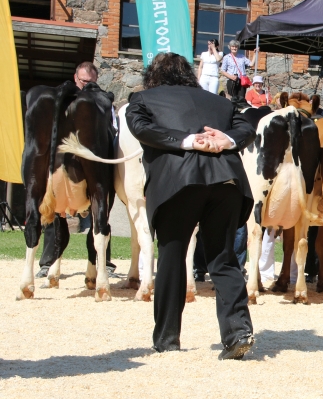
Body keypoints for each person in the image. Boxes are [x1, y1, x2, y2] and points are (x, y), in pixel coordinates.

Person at [126, 52, 256, 360]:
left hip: (177, 185)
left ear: (153, 76)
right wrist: (227, 140)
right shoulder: (220, 103)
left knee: (172, 258)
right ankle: (238, 332)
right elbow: (247, 126)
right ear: (188, 74)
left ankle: (167, 338)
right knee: (223, 259)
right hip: (226, 182)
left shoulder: (142, 99)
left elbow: (140, 128)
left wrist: (186, 141)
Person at [38, 61, 117, 280]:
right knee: (55, 210)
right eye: (83, 81)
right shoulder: (63, 100)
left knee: (101, 210)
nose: (86, 85)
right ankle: (48, 262)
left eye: (91, 82)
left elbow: (112, 130)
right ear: (75, 78)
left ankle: (102, 262)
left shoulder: (101, 102)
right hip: (64, 160)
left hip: (94, 160)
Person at [220, 40, 253, 108]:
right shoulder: (226, 57)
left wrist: (255, 54)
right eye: (233, 46)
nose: (234, 48)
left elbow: (251, 64)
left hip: (241, 81)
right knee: (232, 98)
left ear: (238, 47)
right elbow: (223, 70)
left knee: (241, 99)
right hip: (232, 81)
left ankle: (240, 111)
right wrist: (231, 77)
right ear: (230, 47)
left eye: (236, 46)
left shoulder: (242, 57)